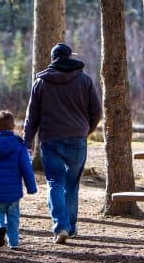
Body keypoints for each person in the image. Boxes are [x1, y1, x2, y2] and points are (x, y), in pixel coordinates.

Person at [23, 43, 102, 244]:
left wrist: (28, 141)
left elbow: (31, 117)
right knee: (72, 185)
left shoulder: (41, 83)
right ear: (69, 57)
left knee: (55, 183)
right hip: (77, 139)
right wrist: (87, 130)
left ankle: (60, 227)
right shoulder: (84, 80)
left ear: (53, 59)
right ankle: (71, 228)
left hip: (50, 140)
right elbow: (96, 111)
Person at [0, 110, 37, 249]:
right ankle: (14, 243)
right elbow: (26, 168)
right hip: (13, 191)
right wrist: (31, 187)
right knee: (13, 216)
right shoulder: (19, 145)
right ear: (13, 127)